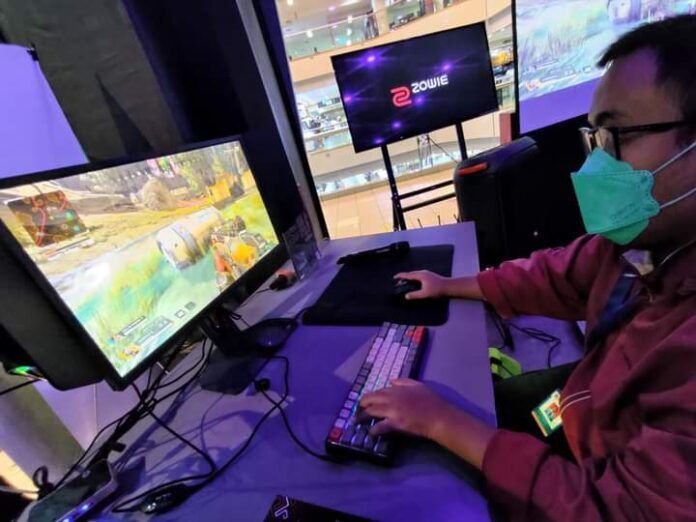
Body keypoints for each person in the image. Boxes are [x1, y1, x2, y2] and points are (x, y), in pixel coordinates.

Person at [359, 15, 696, 522]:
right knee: (480, 400)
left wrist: (444, 424)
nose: (596, 165)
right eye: (595, 136)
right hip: (582, 403)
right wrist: (450, 285)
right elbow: (558, 274)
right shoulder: (641, 244)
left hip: (592, 470)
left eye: (617, 135)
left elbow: (609, 510)